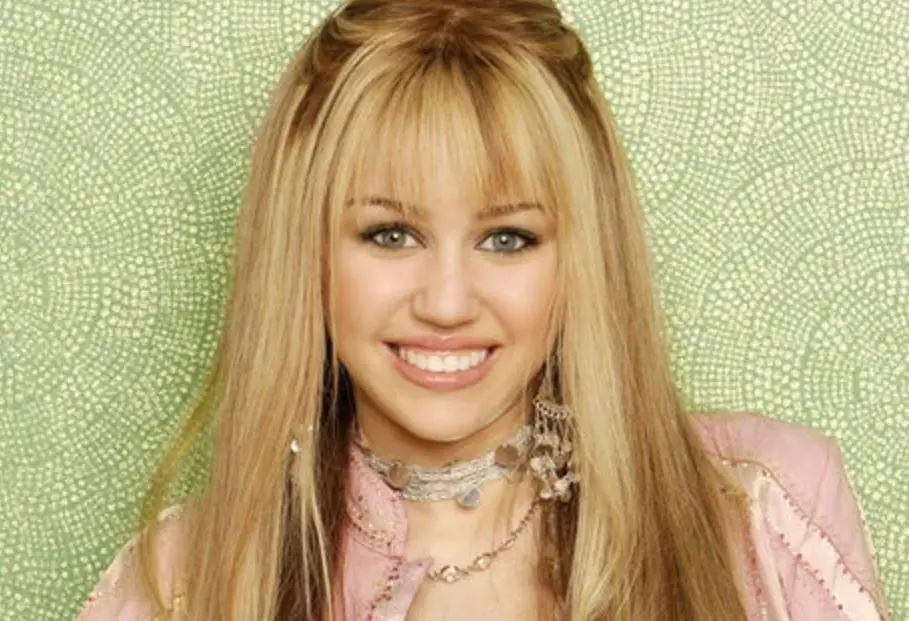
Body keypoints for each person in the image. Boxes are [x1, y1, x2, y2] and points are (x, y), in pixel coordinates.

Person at [75, 0, 891, 619]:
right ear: (306, 251)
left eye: (506, 238)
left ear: (582, 256)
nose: (446, 302)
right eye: (390, 233)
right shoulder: (179, 582)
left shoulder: (761, 512)